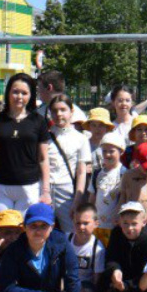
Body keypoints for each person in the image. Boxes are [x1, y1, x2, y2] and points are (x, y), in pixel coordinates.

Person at [0, 73, 52, 219]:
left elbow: (43, 159)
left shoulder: (38, 121)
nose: (19, 96)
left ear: (31, 95)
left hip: (29, 187)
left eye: (24, 93)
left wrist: (45, 191)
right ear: (8, 93)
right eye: (15, 92)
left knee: (24, 236)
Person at [46, 94, 91, 234]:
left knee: (70, 232)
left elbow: (82, 171)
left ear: (71, 111)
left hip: (67, 190)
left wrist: (77, 201)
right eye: (54, 110)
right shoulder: (44, 136)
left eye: (63, 109)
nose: (59, 114)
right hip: (45, 189)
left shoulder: (81, 139)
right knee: (43, 229)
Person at [122, 114, 147, 225]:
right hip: (131, 195)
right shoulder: (128, 152)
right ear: (133, 132)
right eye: (139, 129)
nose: (143, 133)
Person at [68, 204, 106, 292]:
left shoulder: (97, 248)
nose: (81, 227)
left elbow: (96, 279)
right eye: (78, 223)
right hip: (66, 279)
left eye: (85, 223)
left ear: (96, 223)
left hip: (84, 284)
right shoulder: (66, 239)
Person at [91, 131, 126, 242]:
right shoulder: (97, 173)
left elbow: (124, 197)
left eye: (111, 151)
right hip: (97, 225)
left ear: (121, 152)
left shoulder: (124, 173)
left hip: (114, 225)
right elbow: (92, 196)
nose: (107, 155)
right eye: (104, 151)